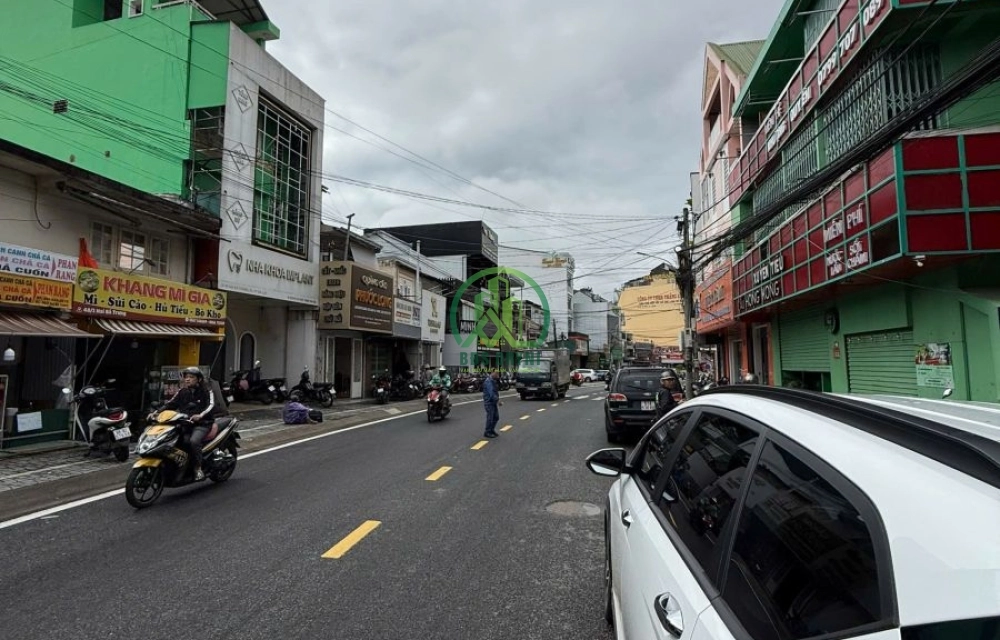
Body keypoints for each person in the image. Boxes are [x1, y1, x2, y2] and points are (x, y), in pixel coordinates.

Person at [163, 366, 216, 481]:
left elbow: (210, 406)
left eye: (191, 377)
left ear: (199, 379)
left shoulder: (207, 391)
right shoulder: (182, 391)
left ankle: (198, 469)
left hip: (202, 424)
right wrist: (156, 412)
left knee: (193, 441)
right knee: (174, 441)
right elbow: (170, 404)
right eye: (186, 377)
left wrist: (200, 415)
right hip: (185, 424)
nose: (187, 379)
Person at [482, 370, 502, 438]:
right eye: (496, 373)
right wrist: (498, 400)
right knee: (490, 417)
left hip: (493, 402)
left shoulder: (493, 380)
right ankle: (487, 432)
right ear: (492, 373)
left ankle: (491, 430)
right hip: (489, 402)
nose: (497, 375)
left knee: (496, 417)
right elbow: (491, 393)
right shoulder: (488, 381)